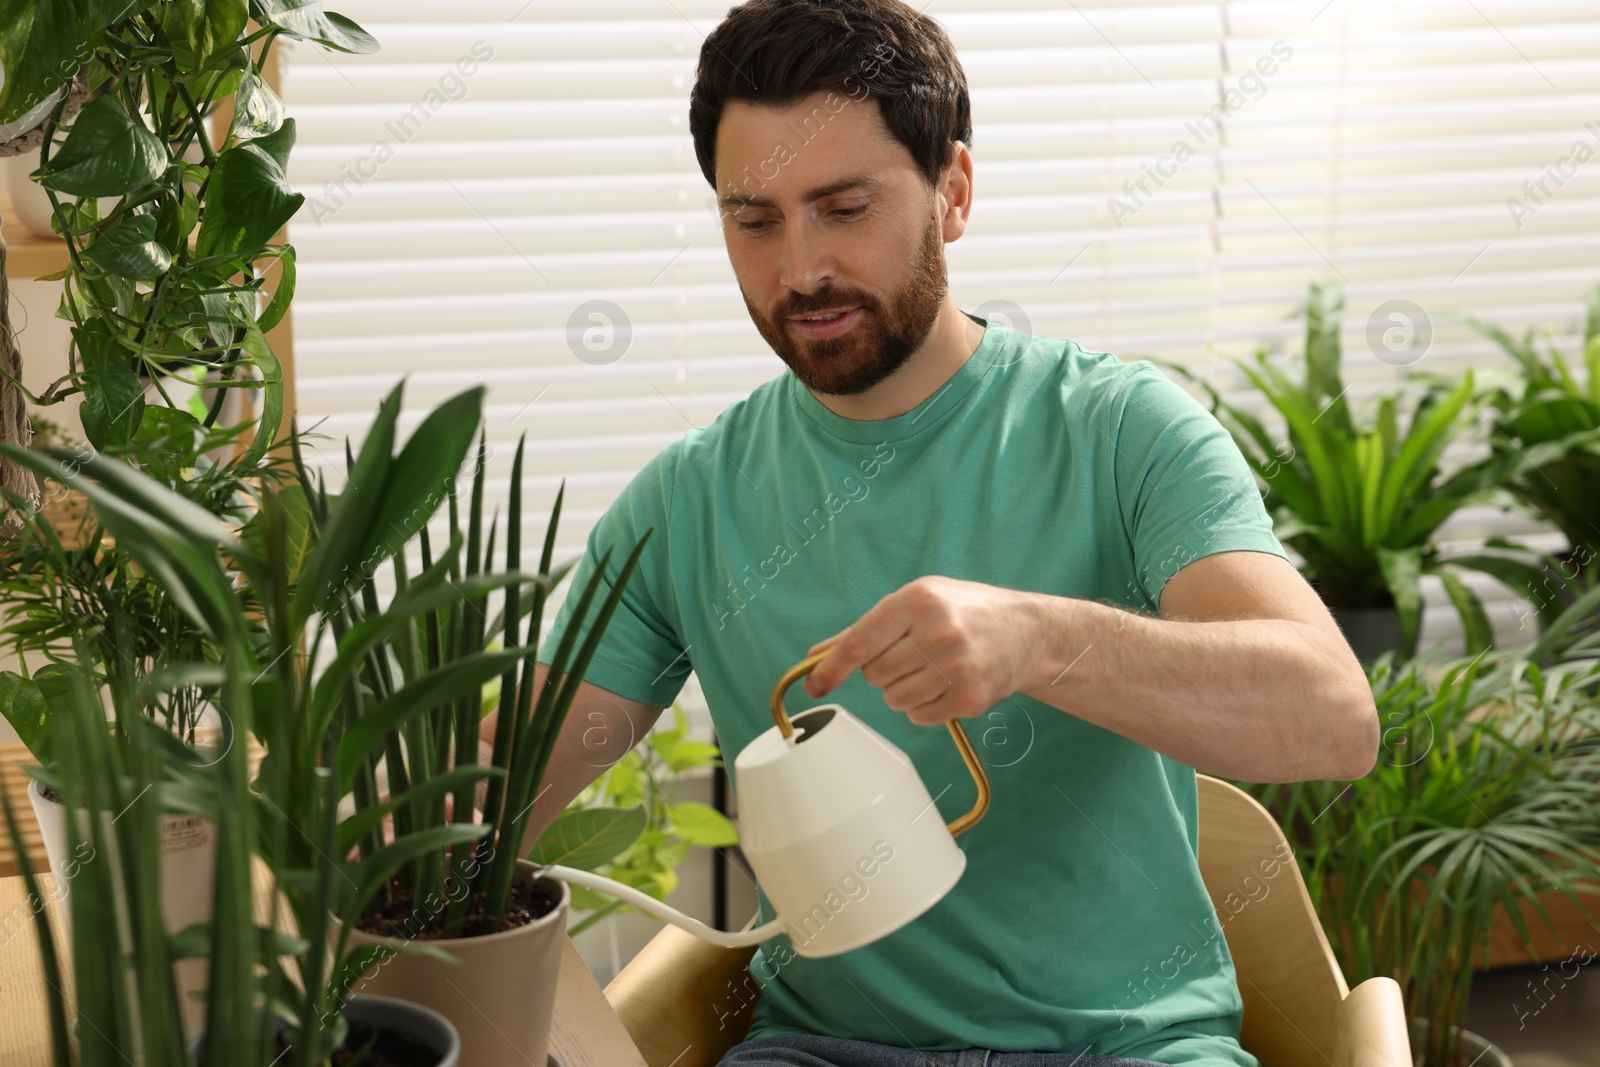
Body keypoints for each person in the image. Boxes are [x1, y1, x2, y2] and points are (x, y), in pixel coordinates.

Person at [479, 2, 1378, 1065]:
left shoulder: (1123, 430)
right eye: (753, 218)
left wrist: (1043, 640)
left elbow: (1330, 720)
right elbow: (500, 786)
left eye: (843, 207)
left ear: (951, 191)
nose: (799, 269)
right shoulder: (688, 500)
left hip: (1126, 1046)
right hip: (824, 1045)